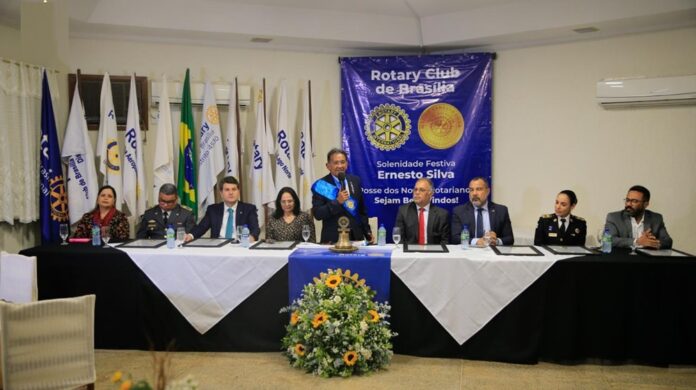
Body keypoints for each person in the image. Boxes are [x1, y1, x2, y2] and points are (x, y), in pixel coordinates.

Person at [312, 148, 372, 244]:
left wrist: (367, 232)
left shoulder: (355, 180)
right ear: (328, 166)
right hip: (332, 239)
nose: (340, 166)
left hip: (356, 237)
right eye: (336, 163)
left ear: (347, 164)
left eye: (342, 162)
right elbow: (318, 214)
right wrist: (337, 202)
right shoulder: (321, 185)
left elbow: (361, 211)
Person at [185, 176, 260, 242]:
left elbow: (255, 229)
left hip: (239, 246)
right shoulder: (213, 210)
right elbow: (201, 227)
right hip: (218, 247)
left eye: (234, 189)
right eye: (227, 190)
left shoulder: (249, 209)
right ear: (221, 193)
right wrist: (190, 236)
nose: (231, 193)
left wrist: (252, 237)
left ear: (238, 192)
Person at [451, 177, 514, 246]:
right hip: (469, 252)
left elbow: (510, 239)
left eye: (479, 189)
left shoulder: (501, 211)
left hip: (492, 253)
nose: (474, 193)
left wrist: (496, 241)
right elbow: (455, 238)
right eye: (471, 190)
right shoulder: (459, 211)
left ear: (487, 191)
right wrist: (476, 241)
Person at [604, 185, 672, 249]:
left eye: (634, 201)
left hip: (648, 260)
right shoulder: (614, 218)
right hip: (623, 259)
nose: (629, 204)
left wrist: (651, 242)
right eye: (627, 200)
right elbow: (608, 240)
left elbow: (668, 241)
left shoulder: (656, 218)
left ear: (645, 204)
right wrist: (637, 241)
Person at [394, 178, 450, 245]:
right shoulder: (403, 211)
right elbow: (399, 239)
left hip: (433, 253)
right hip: (410, 253)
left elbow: (445, 242)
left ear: (431, 193)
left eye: (422, 190)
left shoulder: (442, 215)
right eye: (415, 189)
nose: (417, 192)